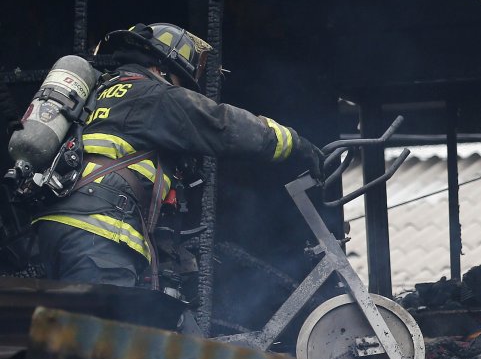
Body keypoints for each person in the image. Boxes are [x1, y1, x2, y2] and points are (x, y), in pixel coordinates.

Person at [33, 22, 324, 288]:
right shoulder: (155, 95)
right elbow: (224, 125)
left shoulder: (98, 94)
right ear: (162, 68)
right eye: (180, 81)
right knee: (99, 328)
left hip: (54, 229)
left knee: (66, 324)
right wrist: (296, 145)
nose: (180, 88)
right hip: (100, 232)